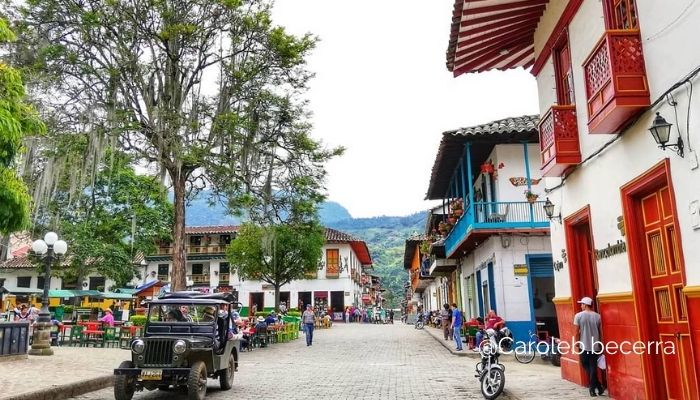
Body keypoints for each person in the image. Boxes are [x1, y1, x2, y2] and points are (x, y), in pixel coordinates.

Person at [574, 296, 604, 397]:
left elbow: (577, 331)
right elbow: (600, 332)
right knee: (593, 366)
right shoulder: (598, 316)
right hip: (595, 344)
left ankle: (592, 388)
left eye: (582, 304)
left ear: (586, 305)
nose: (581, 306)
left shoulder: (578, 316)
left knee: (585, 364)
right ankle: (598, 386)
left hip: (584, 344)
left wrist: (576, 342)